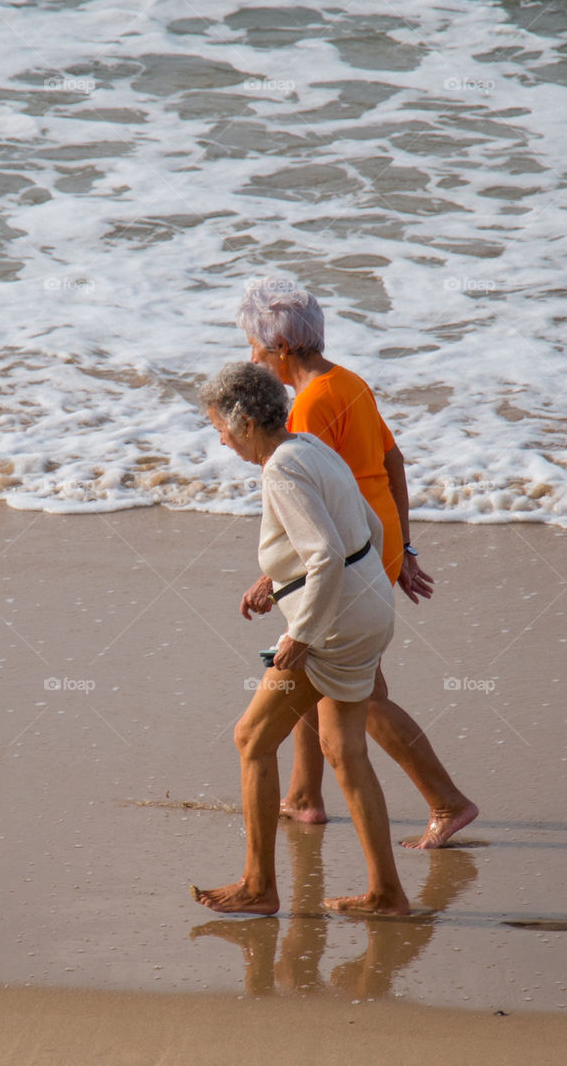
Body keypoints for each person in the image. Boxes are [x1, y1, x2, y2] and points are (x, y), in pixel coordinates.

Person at [236, 279, 478, 849]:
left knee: (359, 693)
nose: (251, 358)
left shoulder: (311, 405)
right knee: (310, 672)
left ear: (283, 349)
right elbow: (392, 460)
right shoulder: (348, 382)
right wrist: (403, 546)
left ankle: (447, 801)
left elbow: (312, 499)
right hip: (372, 539)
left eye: (255, 346)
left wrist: (275, 576)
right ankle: (303, 796)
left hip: (346, 553)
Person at [191, 361, 410, 916]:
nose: (219, 437)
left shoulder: (279, 471)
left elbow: (326, 554)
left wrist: (303, 635)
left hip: (331, 627)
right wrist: (276, 578)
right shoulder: (309, 446)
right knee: (345, 751)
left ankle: (258, 886)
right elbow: (367, 527)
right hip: (368, 611)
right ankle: (387, 894)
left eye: (219, 425)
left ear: (244, 420)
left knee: (251, 739)